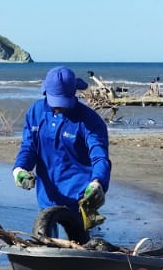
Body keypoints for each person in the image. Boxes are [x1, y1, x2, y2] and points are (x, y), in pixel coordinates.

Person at [12, 65, 111, 242]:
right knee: (46, 243)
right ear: (45, 93)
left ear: (74, 93)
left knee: (82, 246)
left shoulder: (90, 121)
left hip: (80, 198)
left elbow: (99, 155)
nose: (60, 107)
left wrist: (98, 182)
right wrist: (20, 169)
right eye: (56, 102)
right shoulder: (36, 113)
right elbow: (29, 146)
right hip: (48, 195)